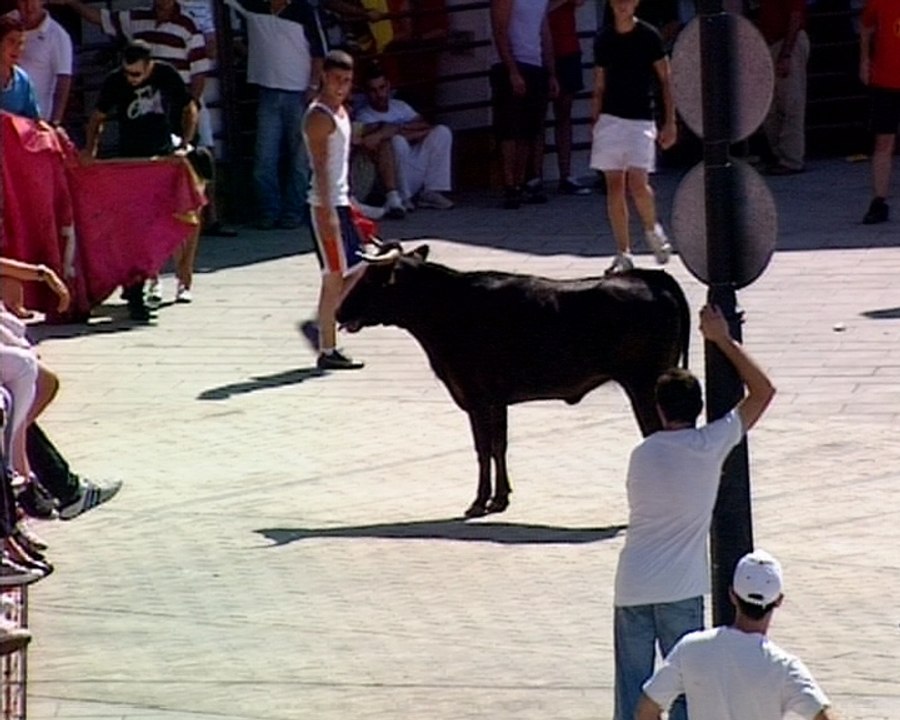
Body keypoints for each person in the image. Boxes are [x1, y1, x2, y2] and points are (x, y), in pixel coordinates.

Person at [612, 303, 776, 720]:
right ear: (699, 407)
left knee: (632, 693)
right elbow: (763, 392)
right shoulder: (709, 446)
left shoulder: (641, 454)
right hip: (680, 588)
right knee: (687, 691)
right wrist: (722, 339)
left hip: (632, 583)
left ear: (660, 409)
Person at [636, 549, 837, 720]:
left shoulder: (691, 648)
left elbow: (646, 709)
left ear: (732, 595)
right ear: (778, 600)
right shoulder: (784, 667)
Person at [82, 40, 201, 320]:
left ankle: (184, 278)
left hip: (163, 153)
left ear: (149, 66)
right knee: (138, 224)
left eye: (136, 74)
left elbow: (189, 107)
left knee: (184, 214)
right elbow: (97, 117)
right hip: (132, 160)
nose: (130, 79)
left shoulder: (165, 74)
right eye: (127, 73)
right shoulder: (116, 82)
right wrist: (91, 151)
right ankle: (147, 279)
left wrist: (184, 143)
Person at [225, 0, 326, 230]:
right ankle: (269, 212)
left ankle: (292, 212)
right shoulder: (254, 7)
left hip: (299, 94)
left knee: (299, 160)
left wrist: (312, 87)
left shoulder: (304, 10)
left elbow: (319, 52)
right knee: (264, 159)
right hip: (268, 92)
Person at [590, 0, 674, 275]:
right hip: (611, 118)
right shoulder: (604, 39)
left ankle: (652, 229)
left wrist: (670, 121)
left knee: (638, 182)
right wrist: (596, 120)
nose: (623, 5)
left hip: (641, 117)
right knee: (615, 186)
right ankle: (623, 252)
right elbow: (600, 83)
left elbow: (665, 79)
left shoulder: (649, 36)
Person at [302, 49, 366, 370]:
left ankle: (323, 324)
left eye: (348, 80)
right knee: (335, 276)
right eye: (337, 79)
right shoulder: (319, 117)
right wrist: (328, 212)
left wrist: (348, 203)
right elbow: (321, 168)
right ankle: (327, 346)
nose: (342, 86)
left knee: (359, 266)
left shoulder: (341, 111)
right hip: (324, 204)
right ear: (324, 76)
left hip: (340, 201)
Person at [356, 62, 454, 215]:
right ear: (367, 92)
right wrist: (402, 132)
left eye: (382, 88)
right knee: (396, 142)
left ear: (388, 86)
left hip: (413, 162)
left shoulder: (400, 106)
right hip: (393, 173)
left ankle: (432, 191)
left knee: (442, 132)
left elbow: (425, 125)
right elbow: (383, 139)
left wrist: (399, 130)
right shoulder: (365, 115)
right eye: (373, 90)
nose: (379, 94)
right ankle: (402, 196)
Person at [490, 0, 558, 209]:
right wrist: (512, 70)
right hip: (510, 64)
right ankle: (510, 185)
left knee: (531, 129)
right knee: (510, 129)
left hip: (535, 63)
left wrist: (551, 72)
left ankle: (525, 181)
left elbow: (544, 32)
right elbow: (499, 30)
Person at [755, 0, 809, 176]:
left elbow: (796, 16)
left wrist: (786, 53)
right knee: (771, 107)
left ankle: (791, 159)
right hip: (771, 43)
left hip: (785, 42)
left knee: (791, 102)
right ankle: (781, 155)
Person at [859, 0, 900, 225]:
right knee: (883, 141)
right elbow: (866, 26)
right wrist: (864, 60)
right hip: (886, 81)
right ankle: (878, 201)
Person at [4, 0, 72, 126]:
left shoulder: (58, 36)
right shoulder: (5, 23)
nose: (29, 7)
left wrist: (55, 122)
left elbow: (63, 79)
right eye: (24, 1)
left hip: (35, 121)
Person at [548, 0, 591, 195]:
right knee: (535, 112)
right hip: (540, 46)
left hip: (567, 48)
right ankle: (533, 177)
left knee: (565, 112)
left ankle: (565, 174)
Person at [0, 15, 39, 118]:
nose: (17, 48)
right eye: (11, 41)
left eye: (20, 43)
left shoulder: (23, 79)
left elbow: (33, 118)